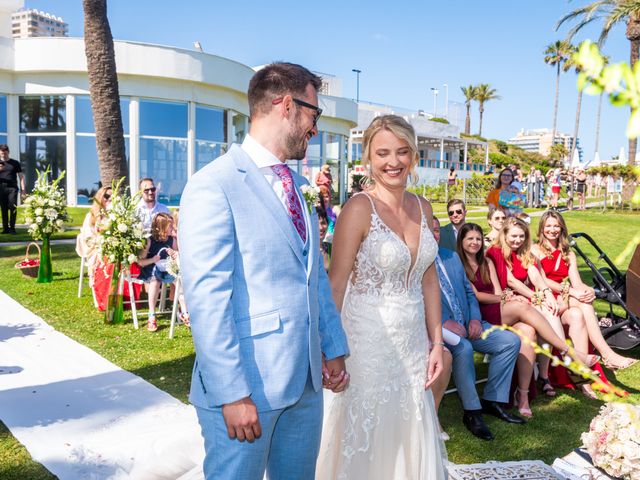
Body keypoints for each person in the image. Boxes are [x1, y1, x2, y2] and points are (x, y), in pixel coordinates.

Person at [179, 62, 349, 480]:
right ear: (287, 104)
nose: (315, 127)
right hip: (247, 389)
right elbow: (207, 301)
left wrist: (332, 346)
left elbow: (314, 278)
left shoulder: (295, 186)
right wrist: (232, 393)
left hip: (306, 385)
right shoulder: (213, 186)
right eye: (315, 113)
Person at [317, 115, 447, 478]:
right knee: (366, 430)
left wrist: (435, 343)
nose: (393, 162)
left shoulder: (423, 207)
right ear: (368, 159)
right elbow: (336, 284)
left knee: (409, 420)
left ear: (414, 155)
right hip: (366, 342)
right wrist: (331, 348)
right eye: (383, 153)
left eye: (402, 152)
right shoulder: (359, 208)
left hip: (412, 343)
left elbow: (429, 281)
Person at [457, 223, 592, 416]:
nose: (475, 243)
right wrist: (508, 298)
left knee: (528, 332)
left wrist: (506, 297)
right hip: (479, 313)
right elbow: (477, 296)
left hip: (499, 307)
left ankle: (523, 395)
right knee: (523, 305)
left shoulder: (486, 262)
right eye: (470, 239)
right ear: (461, 241)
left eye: (478, 239)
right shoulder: (459, 264)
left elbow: (497, 290)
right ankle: (568, 351)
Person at [431, 217, 524, 441]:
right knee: (462, 349)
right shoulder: (414, 262)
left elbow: (470, 293)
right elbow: (417, 301)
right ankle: (472, 412)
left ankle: (492, 399)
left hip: (470, 323)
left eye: (435, 230)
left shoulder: (451, 256)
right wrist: (443, 322)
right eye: (427, 229)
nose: (433, 234)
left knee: (510, 342)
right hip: (441, 328)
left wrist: (474, 319)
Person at [486, 218, 599, 398]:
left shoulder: (523, 252)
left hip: (526, 298)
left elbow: (537, 277)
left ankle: (553, 371)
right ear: (504, 234)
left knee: (551, 312)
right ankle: (570, 358)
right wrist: (536, 297)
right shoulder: (495, 252)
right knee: (544, 315)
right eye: (514, 236)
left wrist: (546, 295)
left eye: (522, 236)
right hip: (506, 301)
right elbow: (511, 281)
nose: (518, 240)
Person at [533, 211, 637, 371]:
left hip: (564, 298)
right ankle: (607, 354)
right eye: (548, 226)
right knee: (582, 302)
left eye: (556, 226)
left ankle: (582, 372)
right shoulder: (535, 250)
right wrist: (573, 292)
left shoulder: (568, 253)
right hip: (544, 296)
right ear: (542, 228)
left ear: (562, 228)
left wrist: (589, 291)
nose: (552, 229)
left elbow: (577, 282)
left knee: (580, 310)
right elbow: (542, 280)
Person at [137, 212, 187, 332]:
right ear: (161, 228)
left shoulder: (171, 240)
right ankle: (152, 314)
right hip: (151, 268)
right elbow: (140, 262)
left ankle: (185, 312)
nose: (172, 228)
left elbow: (178, 255)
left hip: (167, 268)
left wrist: (175, 254)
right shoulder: (149, 241)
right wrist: (152, 259)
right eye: (170, 226)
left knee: (179, 281)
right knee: (155, 281)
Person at [76, 186, 112, 290]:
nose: (109, 199)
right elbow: (88, 236)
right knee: (99, 254)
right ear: (100, 197)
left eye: (112, 197)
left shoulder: (115, 215)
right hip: (95, 247)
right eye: (106, 196)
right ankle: (98, 283)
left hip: (111, 246)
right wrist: (101, 242)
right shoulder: (91, 216)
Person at [0, 144, 26, 234]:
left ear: (8, 152)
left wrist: (23, 190)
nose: (4, 154)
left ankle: (12, 228)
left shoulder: (15, 163)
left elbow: (21, 176)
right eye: (2, 153)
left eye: (5, 153)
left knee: (12, 207)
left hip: (12, 188)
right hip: (1, 188)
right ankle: (5, 229)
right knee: (3, 208)